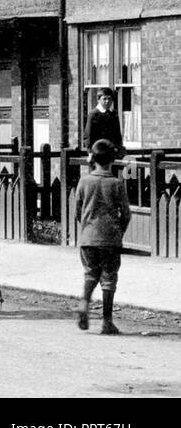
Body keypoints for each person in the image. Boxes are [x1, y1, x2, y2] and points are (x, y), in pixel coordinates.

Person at [73, 138, 133, 335]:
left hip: (88, 238)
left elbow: (77, 211)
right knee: (109, 279)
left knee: (90, 273)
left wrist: (87, 228)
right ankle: (107, 322)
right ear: (112, 160)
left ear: (92, 158)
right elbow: (126, 214)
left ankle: (84, 303)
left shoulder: (84, 181)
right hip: (109, 239)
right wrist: (118, 232)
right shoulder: (116, 183)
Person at [84, 90, 124, 156]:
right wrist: (90, 152)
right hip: (98, 152)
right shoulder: (93, 114)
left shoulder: (113, 114)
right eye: (104, 99)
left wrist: (119, 147)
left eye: (109, 99)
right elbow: (87, 136)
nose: (107, 101)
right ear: (98, 100)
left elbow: (117, 135)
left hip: (111, 152)